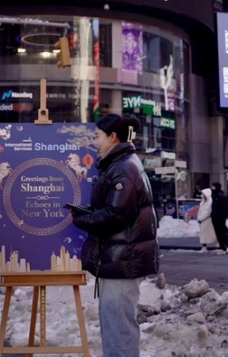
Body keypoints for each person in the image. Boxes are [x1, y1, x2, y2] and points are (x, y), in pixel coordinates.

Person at [70, 114, 158, 357]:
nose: (94, 142)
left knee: (118, 329)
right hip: (118, 259)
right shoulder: (120, 164)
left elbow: (114, 214)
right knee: (114, 325)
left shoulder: (123, 168)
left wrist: (80, 218)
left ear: (113, 137)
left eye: (97, 136)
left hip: (122, 260)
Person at [210, 182, 228, 254]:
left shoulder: (220, 196)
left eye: (213, 186)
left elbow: (224, 207)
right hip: (215, 216)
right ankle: (222, 247)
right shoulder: (214, 195)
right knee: (218, 233)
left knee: (222, 232)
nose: (212, 188)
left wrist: (221, 215)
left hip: (220, 217)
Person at [196, 185, 215, 253]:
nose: (201, 195)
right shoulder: (204, 201)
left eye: (202, 194)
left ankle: (204, 247)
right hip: (203, 220)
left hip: (206, 220)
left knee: (205, 233)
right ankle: (205, 246)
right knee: (205, 233)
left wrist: (200, 219)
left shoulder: (209, 201)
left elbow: (207, 212)